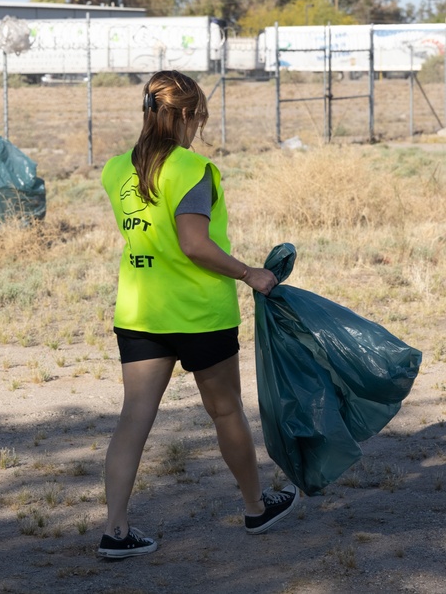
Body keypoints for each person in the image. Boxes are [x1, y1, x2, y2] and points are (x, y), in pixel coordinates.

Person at [97, 70, 299, 559]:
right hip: (199, 313)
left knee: (133, 419)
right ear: (187, 116)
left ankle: (116, 531)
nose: (198, 129)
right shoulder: (191, 169)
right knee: (225, 409)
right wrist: (250, 272)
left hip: (140, 311)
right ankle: (255, 507)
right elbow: (194, 245)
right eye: (199, 119)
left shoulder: (115, 168)